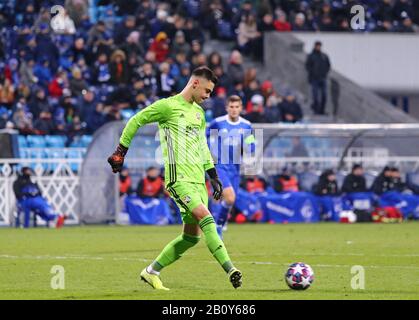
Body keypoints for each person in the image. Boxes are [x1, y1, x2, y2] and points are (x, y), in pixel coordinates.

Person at [107, 66, 242, 290]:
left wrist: (213, 175)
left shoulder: (198, 114)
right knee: (206, 217)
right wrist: (121, 151)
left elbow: (202, 146)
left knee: (191, 237)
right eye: (207, 91)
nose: (208, 96)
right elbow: (135, 121)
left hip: (198, 181)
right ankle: (231, 269)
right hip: (178, 180)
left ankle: (151, 272)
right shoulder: (167, 106)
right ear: (195, 83)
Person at [206, 95, 255, 238]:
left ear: (241, 108)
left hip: (235, 168)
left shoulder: (246, 125)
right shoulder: (218, 122)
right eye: (231, 107)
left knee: (227, 200)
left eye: (237, 107)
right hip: (220, 165)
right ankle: (218, 226)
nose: (234, 110)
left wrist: (250, 149)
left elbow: (251, 142)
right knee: (229, 198)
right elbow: (205, 136)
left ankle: (217, 223)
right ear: (227, 108)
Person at [305, 41, 331, 115]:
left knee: (324, 96)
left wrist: (324, 73)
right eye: (317, 46)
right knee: (315, 96)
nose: (318, 47)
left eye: (319, 46)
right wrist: (313, 73)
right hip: (314, 79)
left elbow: (328, 65)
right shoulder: (311, 56)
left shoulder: (324, 56)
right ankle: (316, 110)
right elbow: (307, 66)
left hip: (323, 78)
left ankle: (322, 110)